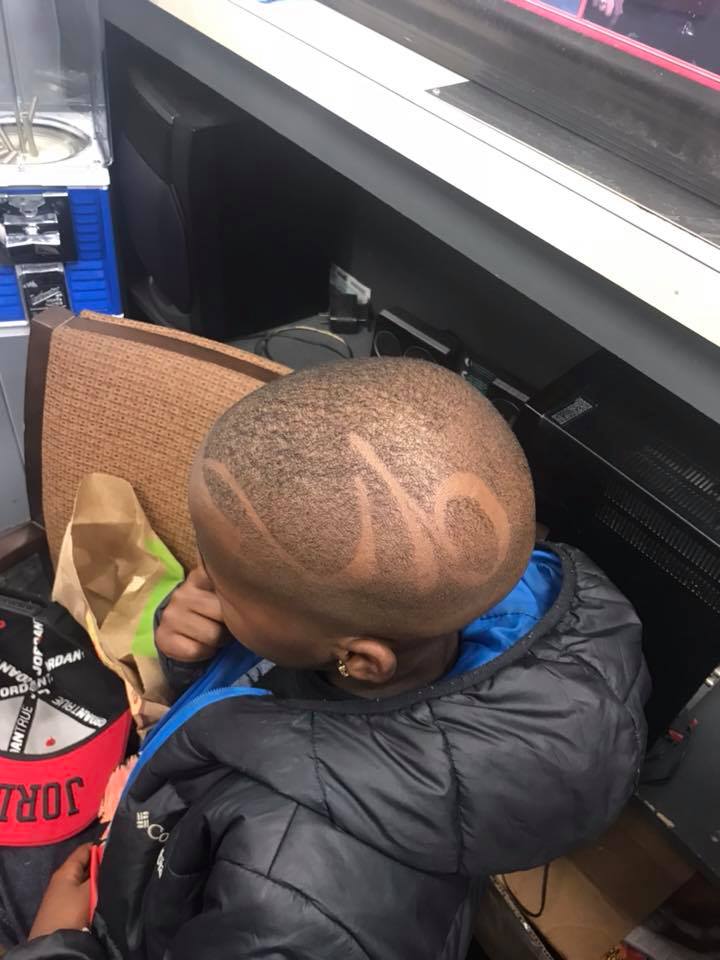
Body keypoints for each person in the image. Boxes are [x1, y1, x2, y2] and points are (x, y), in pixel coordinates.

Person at [11, 359, 649, 960]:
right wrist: (192, 652)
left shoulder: (292, 913)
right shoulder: (437, 609)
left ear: (361, 663)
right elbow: (248, 682)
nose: (199, 574)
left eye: (226, 583)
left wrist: (56, 944)